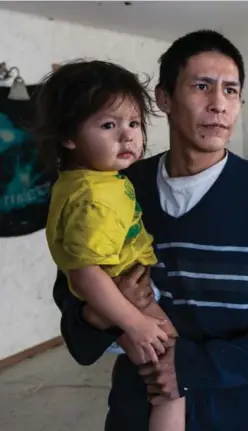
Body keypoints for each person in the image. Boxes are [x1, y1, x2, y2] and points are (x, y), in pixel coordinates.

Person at [52, 30, 248, 431]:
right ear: (164, 99)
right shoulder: (120, 186)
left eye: (231, 91)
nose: (219, 104)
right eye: (202, 86)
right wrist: (97, 313)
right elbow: (70, 281)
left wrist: (194, 366)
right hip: (138, 407)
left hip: (244, 411)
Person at [34, 60, 184, 431]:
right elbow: (85, 275)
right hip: (130, 304)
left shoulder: (91, 180)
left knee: (151, 377)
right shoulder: (94, 197)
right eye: (108, 125)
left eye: (134, 123)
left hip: (119, 303)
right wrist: (134, 322)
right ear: (69, 136)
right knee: (172, 387)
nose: (128, 136)